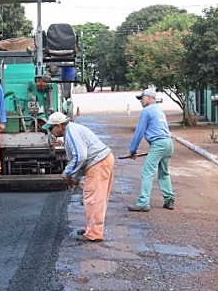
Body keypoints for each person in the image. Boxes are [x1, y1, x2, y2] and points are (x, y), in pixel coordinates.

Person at [43, 111, 115, 242]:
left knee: (94, 198)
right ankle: (90, 228)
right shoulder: (71, 131)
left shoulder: (71, 133)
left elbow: (80, 157)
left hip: (98, 163)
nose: (50, 130)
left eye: (51, 127)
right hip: (100, 161)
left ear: (59, 125)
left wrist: (67, 173)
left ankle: (94, 233)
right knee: (93, 197)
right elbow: (81, 159)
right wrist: (75, 178)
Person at [127, 88, 175, 212]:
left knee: (147, 172)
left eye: (142, 98)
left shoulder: (147, 111)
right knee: (163, 173)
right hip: (168, 143)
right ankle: (169, 199)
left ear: (149, 97)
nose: (141, 101)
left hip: (158, 144)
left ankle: (143, 202)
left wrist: (133, 150)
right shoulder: (159, 111)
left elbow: (139, 132)